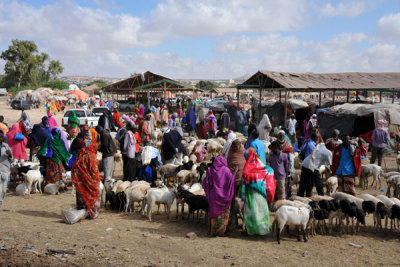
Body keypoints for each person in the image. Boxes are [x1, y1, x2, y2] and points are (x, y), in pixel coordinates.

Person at [62, 141, 101, 224]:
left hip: (80, 179)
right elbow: (94, 170)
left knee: (82, 194)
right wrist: (96, 179)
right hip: (89, 180)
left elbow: (75, 166)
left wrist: (80, 176)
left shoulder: (81, 154)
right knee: (93, 194)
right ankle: (92, 213)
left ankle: (82, 211)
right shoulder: (92, 156)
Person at [242, 147, 274, 235]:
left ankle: (252, 230)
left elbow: (244, 178)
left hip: (250, 194)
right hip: (261, 194)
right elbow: (269, 172)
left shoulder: (247, 167)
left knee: (251, 212)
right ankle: (263, 230)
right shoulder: (262, 165)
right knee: (261, 211)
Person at [203, 156, 236, 236]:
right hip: (224, 197)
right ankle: (221, 231)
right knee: (223, 214)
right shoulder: (226, 170)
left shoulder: (211, 170)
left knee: (213, 212)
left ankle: (212, 231)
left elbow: (206, 183)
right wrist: (235, 173)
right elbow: (231, 181)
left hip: (213, 196)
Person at [0, 130, 12, 209]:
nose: (0, 138)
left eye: (1, 137)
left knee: (4, 191)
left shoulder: (6, 146)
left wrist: (9, 154)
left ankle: (0, 203)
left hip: (5, 169)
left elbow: (11, 158)